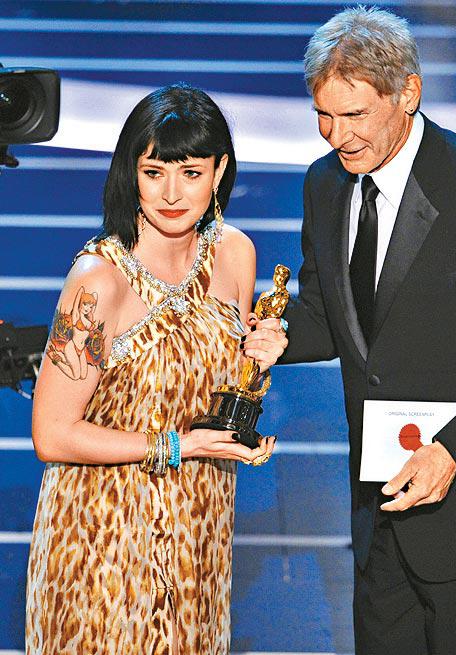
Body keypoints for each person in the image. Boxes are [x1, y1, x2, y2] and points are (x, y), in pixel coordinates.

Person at [244, 7, 456, 654]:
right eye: (323, 115)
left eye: (354, 114)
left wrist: (451, 452)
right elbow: (331, 314)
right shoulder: (325, 184)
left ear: (409, 93)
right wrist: (282, 336)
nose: (337, 136)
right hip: (382, 516)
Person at [26, 83, 286, 654]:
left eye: (190, 173)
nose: (171, 193)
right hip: (101, 542)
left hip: (200, 534)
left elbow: (215, 387)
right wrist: (179, 446)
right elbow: (52, 434)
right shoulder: (98, 282)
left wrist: (262, 357)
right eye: (153, 172)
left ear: (219, 172)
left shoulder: (236, 254)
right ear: (132, 173)